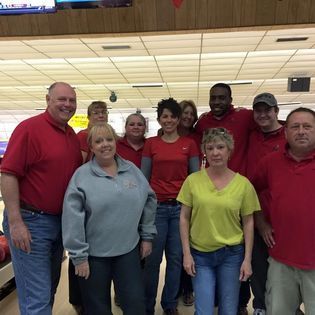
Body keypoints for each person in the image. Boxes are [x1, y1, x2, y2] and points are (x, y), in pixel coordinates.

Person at [1, 82, 82, 315]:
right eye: (61, 99)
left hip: (58, 223)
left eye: (72, 100)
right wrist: (16, 222)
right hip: (31, 222)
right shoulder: (29, 129)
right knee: (36, 297)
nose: (67, 105)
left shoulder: (70, 135)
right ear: (48, 100)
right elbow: (8, 173)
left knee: (47, 291)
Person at [62, 123, 157, 315]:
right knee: (97, 308)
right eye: (98, 141)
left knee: (135, 303)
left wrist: (147, 236)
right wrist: (79, 256)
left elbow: (149, 199)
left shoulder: (131, 170)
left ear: (116, 142)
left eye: (109, 139)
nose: (105, 144)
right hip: (93, 256)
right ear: (91, 146)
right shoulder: (82, 176)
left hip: (128, 251)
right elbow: (72, 218)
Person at [177, 127, 260, 315]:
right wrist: (186, 254)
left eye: (220, 147)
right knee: (204, 310)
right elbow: (184, 217)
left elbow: (248, 223)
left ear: (229, 151)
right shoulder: (193, 181)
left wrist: (247, 259)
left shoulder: (243, 184)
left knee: (229, 309)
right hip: (200, 255)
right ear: (204, 151)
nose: (215, 152)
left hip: (232, 255)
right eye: (210, 147)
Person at [195, 82, 255, 314]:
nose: (217, 102)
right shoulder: (204, 122)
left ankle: (240, 303)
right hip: (210, 189)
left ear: (230, 99)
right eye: (213, 98)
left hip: (238, 193)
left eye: (222, 98)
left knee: (240, 258)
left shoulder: (245, 116)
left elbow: (269, 122)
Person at [252, 107, 315, 315]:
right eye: (295, 127)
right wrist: (261, 223)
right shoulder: (270, 163)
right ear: (285, 132)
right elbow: (252, 192)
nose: (301, 131)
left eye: (307, 126)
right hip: (281, 260)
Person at [141, 98, 199, 315]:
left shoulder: (189, 144)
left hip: (180, 210)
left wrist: (192, 209)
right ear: (159, 119)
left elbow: (195, 179)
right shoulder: (151, 144)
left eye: (172, 116)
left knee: (176, 260)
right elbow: (144, 179)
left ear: (178, 119)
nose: (169, 120)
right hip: (156, 209)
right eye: (164, 116)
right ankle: (147, 306)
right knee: (152, 260)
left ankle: (169, 304)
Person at [247, 93, 286, 315]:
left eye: (267, 110)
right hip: (254, 212)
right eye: (258, 110)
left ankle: (283, 307)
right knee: (258, 264)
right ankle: (260, 306)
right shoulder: (252, 135)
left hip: (281, 214)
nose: (262, 114)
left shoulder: (288, 136)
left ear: (276, 111)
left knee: (283, 269)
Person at [70, 100, 109, 314]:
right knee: (80, 248)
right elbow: (80, 166)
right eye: (96, 112)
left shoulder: (110, 138)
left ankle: (93, 298)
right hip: (84, 198)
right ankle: (78, 299)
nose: (100, 115)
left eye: (103, 112)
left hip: (101, 202)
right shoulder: (82, 137)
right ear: (89, 116)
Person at [177, 100, 199, 306]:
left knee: (188, 248)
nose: (188, 117)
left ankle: (188, 289)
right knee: (175, 252)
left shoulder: (196, 138)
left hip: (191, 198)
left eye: (191, 113)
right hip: (168, 200)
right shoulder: (161, 137)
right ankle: (174, 290)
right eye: (185, 112)